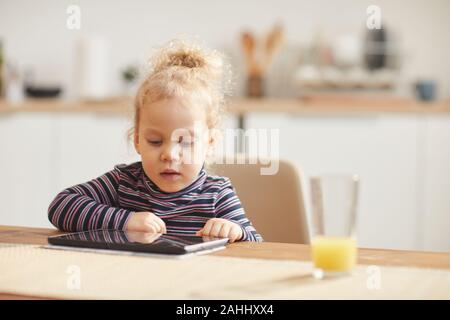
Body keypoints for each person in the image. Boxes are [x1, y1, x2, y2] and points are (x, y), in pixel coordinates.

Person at [48, 39, 262, 243]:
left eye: (186, 142)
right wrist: (126, 220)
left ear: (210, 144)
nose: (169, 154)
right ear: (138, 141)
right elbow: (61, 206)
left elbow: (257, 245)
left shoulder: (217, 194)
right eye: (155, 141)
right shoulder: (123, 183)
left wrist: (236, 231)